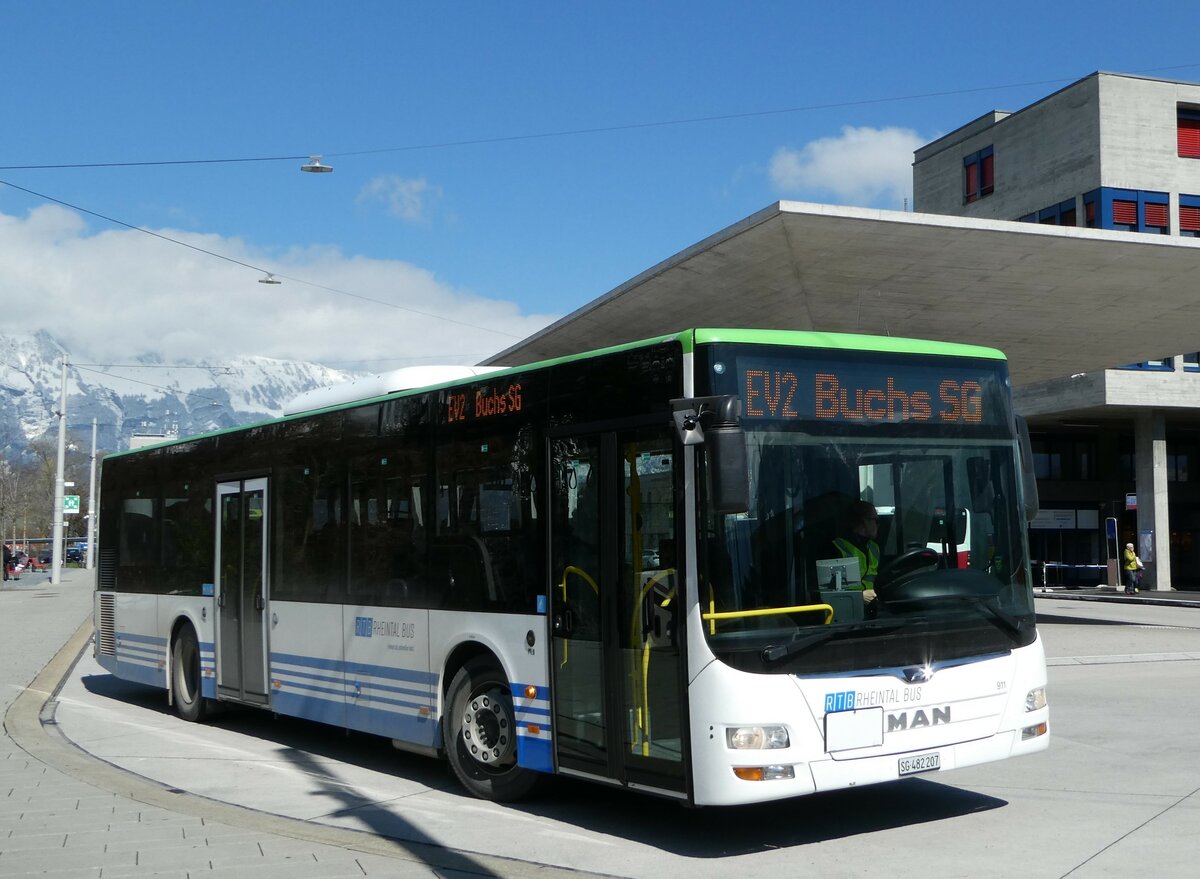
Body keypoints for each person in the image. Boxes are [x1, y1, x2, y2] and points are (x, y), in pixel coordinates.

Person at [833, 500, 880, 601]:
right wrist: (860, 596)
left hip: (873, 608)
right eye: (876, 520)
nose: (878, 525)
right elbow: (832, 593)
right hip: (848, 610)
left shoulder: (874, 548)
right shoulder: (837, 548)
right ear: (864, 522)